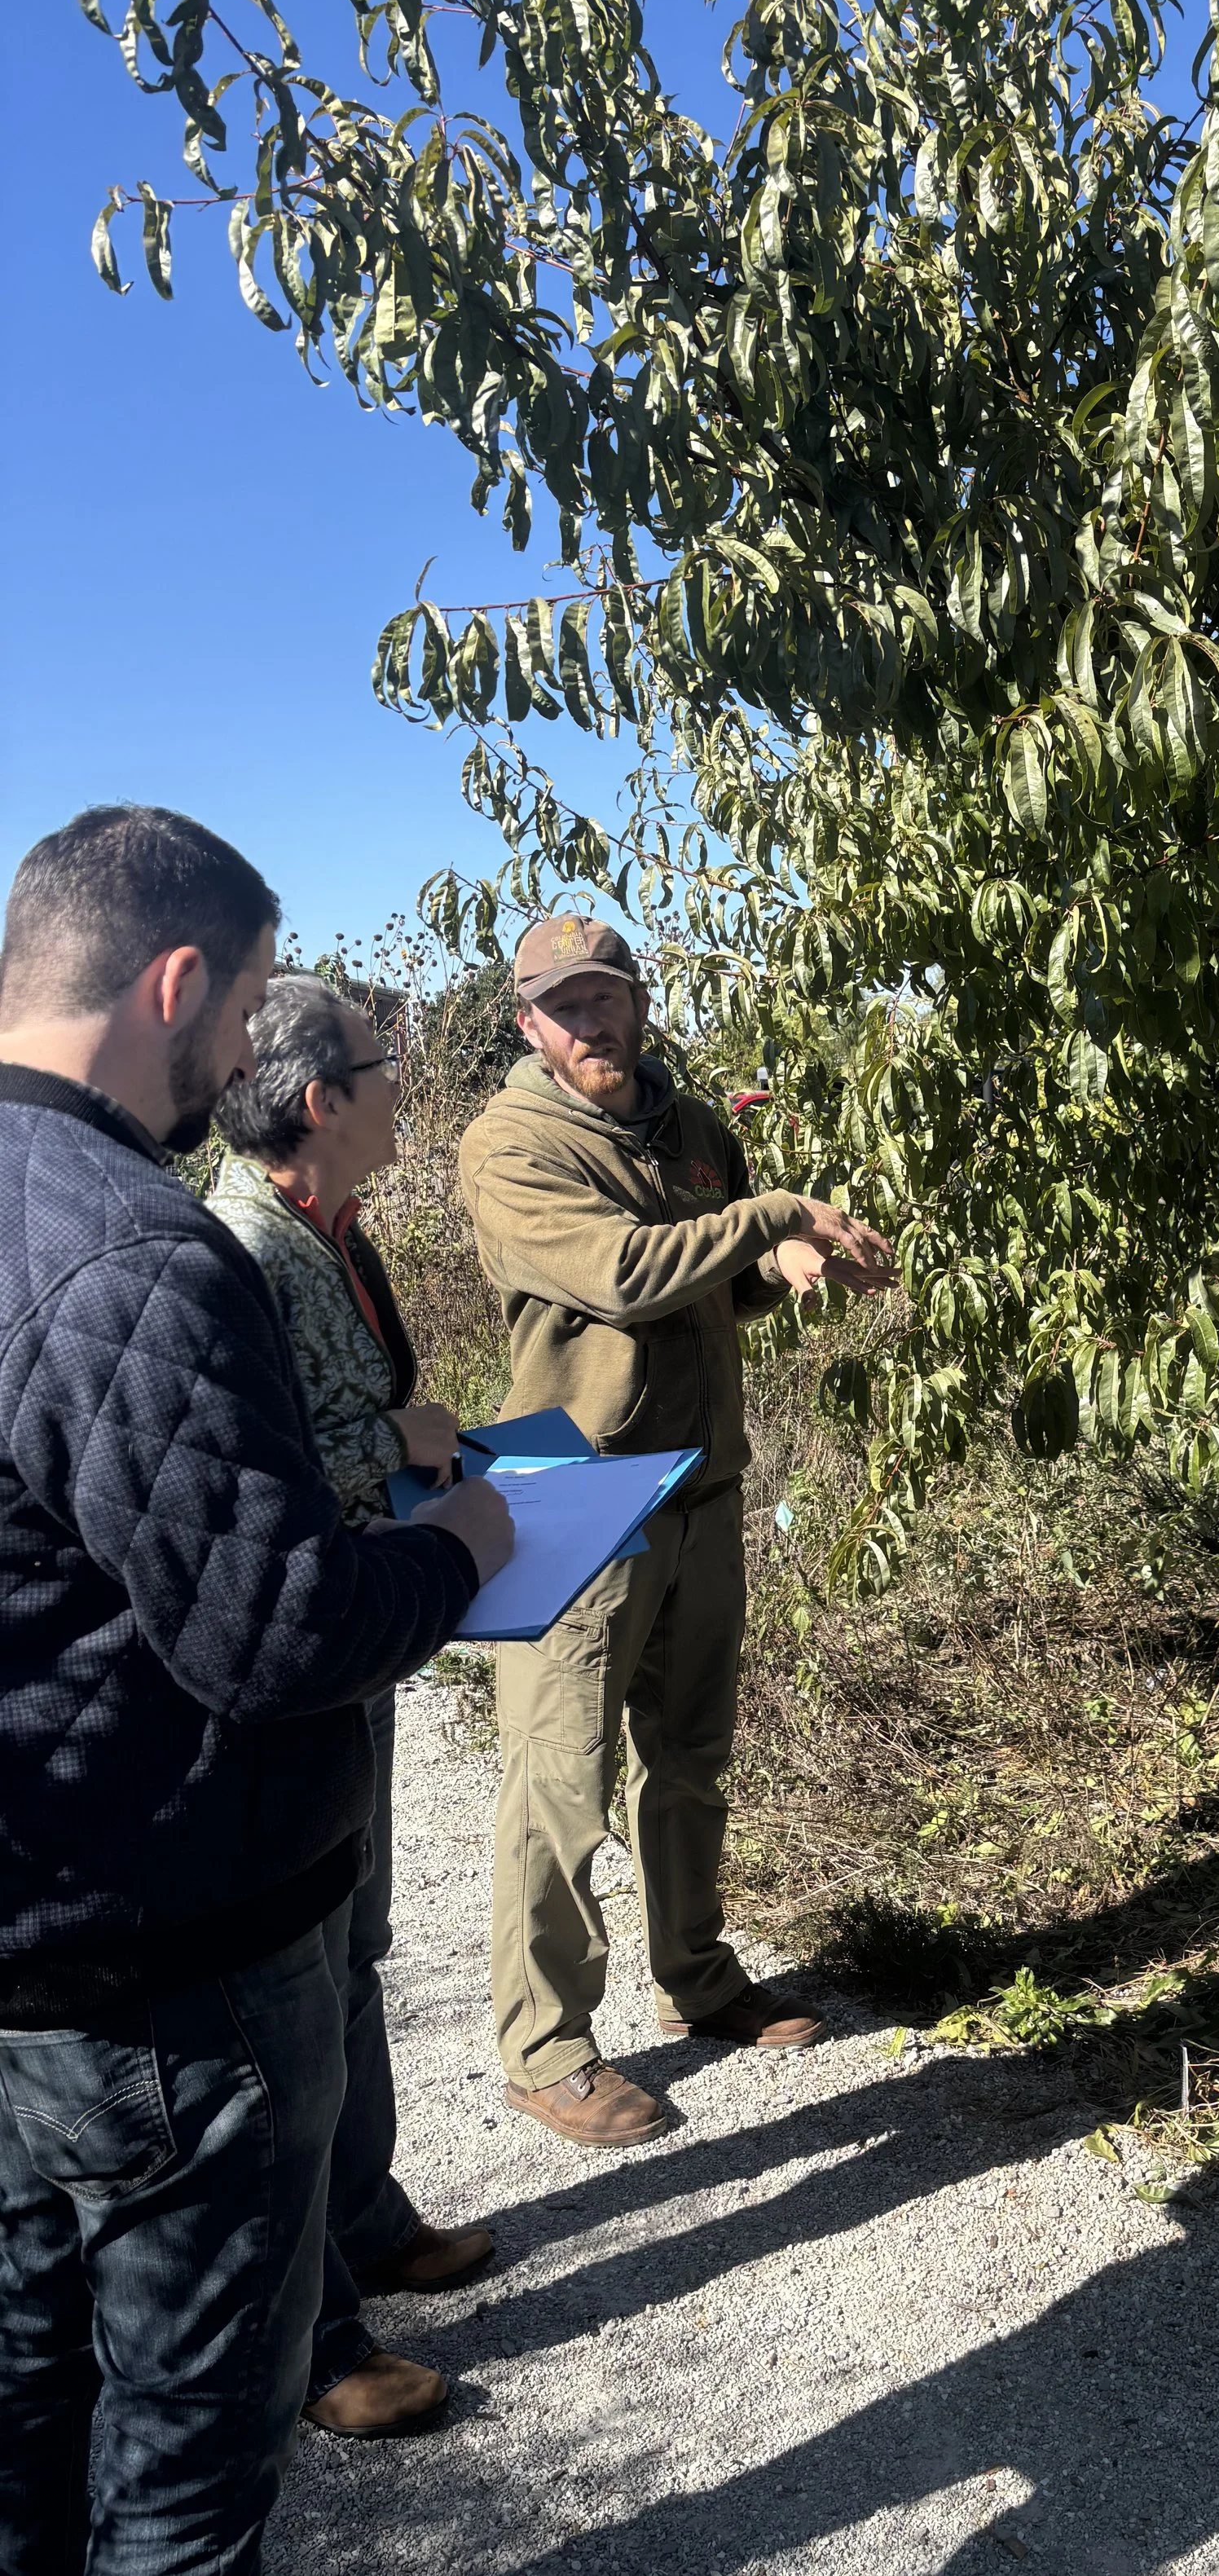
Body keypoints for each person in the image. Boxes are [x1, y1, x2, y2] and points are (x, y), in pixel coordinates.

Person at [0, 807, 513, 2572]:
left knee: (30, 2412)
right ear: (173, 979)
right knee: (185, 2470)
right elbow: (275, 1629)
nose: (238, 1069)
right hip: (171, 1966)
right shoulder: (138, 1247)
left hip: (32, 1947)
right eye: (234, 1029)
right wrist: (463, 1545)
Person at [459, 914, 896, 2146]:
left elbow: (714, 1280)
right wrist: (771, 1214)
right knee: (559, 1782)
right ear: (530, 1026)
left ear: (639, 1003)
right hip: (565, 1486)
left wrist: (786, 1262)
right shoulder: (509, 1144)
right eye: (567, 1008)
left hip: (700, 1481)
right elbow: (617, 1274)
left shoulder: (693, 1124)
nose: (593, 1025)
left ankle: (696, 1981)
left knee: (691, 1754)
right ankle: (545, 2047)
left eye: (608, 999)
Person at [209, 975, 495, 2442]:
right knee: (301, 1992)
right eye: (387, 1069)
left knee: (361, 1951)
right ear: (324, 1099)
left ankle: (371, 2222)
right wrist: (402, 1436)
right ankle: (320, 2340)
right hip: (303, 1660)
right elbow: (262, 1477)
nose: (406, 1089)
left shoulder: (329, 1229)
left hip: (360, 1650)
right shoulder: (235, 1248)